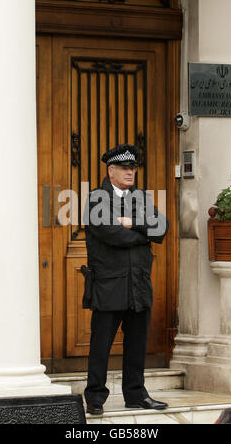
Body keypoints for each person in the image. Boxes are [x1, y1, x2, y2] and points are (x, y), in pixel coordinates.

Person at [82, 143, 169, 415]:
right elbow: (111, 233)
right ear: (111, 171)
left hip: (139, 284)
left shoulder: (141, 197)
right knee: (101, 345)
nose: (131, 172)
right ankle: (95, 396)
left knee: (136, 344)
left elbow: (162, 228)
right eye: (125, 168)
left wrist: (131, 223)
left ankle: (135, 394)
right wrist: (144, 232)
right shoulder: (97, 199)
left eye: (133, 167)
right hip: (109, 284)